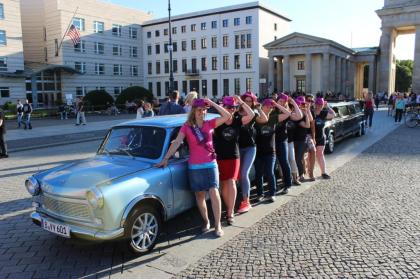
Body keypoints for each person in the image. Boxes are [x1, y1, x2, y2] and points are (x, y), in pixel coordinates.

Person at [156, 98, 231, 237]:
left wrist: (213, 103)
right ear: (194, 111)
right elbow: (177, 142)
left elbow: (227, 116)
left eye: (204, 110)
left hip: (210, 164)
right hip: (195, 166)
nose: (201, 112)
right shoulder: (187, 126)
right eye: (199, 110)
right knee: (199, 195)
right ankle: (206, 221)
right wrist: (165, 158)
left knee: (214, 192)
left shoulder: (210, 124)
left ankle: (218, 224)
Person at [214, 96, 254, 225]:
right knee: (224, 184)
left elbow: (252, 114)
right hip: (220, 157)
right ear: (223, 107)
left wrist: (241, 102)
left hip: (233, 156)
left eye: (233, 107)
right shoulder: (217, 121)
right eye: (228, 107)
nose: (231, 109)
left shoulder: (237, 120)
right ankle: (228, 208)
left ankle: (230, 212)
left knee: (231, 182)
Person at [237, 91, 268, 213]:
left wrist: (259, 109)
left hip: (250, 147)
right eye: (246, 100)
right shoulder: (236, 113)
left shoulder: (253, 113)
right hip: (237, 147)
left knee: (244, 173)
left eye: (250, 101)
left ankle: (246, 200)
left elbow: (265, 119)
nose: (248, 103)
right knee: (239, 175)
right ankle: (239, 197)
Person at [254, 99, 282, 202]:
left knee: (270, 172)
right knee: (259, 173)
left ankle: (272, 193)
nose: (270, 108)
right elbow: (263, 119)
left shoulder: (274, 118)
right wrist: (258, 109)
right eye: (268, 106)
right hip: (259, 151)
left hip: (271, 151)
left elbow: (288, 113)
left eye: (271, 107)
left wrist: (276, 105)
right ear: (263, 106)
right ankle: (260, 194)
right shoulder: (257, 118)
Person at [275, 93, 302, 195]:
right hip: (271, 141)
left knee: (284, 162)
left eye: (284, 102)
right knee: (272, 165)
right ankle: (274, 185)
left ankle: (287, 184)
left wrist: (293, 102)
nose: (281, 103)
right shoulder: (272, 111)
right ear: (276, 101)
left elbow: (299, 116)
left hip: (282, 140)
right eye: (280, 101)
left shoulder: (286, 112)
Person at [313, 97, 336, 179]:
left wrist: (328, 106)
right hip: (312, 137)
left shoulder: (324, 113)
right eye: (318, 104)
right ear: (315, 104)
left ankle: (323, 172)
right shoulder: (312, 112)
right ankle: (309, 172)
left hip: (321, 137)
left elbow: (333, 115)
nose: (319, 106)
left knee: (320, 154)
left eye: (321, 105)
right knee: (310, 156)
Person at [293, 96, 312, 182]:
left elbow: (308, 125)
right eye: (298, 104)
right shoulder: (292, 114)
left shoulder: (303, 114)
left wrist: (307, 111)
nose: (300, 106)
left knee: (298, 158)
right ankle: (297, 175)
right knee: (295, 158)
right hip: (293, 139)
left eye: (301, 104)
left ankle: (301, 175)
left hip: (301, 140)